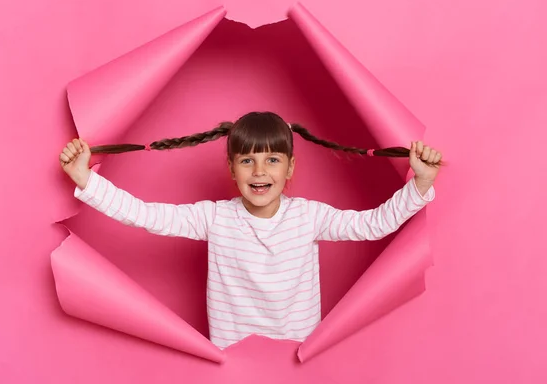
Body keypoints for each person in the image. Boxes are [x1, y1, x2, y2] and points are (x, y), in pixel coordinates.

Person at [59, 111, 442, 349]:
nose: (260, 172)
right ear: (232, 168)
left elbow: (372, 224)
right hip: (233, 364)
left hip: (299, 361)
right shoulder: (215, 218)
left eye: (272, 160)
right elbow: (144, 214)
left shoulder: (309, 217)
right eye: (247, 160)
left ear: (290, 168)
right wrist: (86, 181)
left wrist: (419, 185)